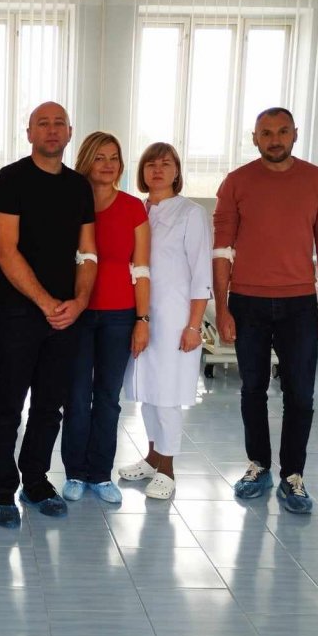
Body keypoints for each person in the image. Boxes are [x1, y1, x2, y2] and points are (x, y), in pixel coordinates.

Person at [213, 107, 318, 513]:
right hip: (246, 302)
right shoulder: (237, 182)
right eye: (266, 133)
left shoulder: (316, 180)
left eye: (282, 131)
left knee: (300, 393)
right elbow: (221, 250)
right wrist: (222, 308)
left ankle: (293, 476)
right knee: (252, 389)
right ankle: (259, 465)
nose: (274, 140)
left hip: (299, 304)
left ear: (295, 134)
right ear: (254, 138)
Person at [0, 102, 96, 527]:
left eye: (58, 124)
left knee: (50, 404)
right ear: (29, 132)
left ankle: (35, 480)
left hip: (67, 314)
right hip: (20, 312)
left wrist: (79, 302)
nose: (51, 130)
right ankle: (1, 490)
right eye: (42, 124)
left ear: (69, 132)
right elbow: (5, 250)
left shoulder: (79, 186)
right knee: (8, 403)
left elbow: (88, 252)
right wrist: (45, 302)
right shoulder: (10, 179)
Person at [61, 132, 150, 504]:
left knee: (108, 399)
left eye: (114, 157)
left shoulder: (133, 208)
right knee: (76, 397)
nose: (108, 164)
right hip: (77, 314)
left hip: (119, 316)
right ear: (86, 161)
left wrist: (142, 319)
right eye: (100, 157)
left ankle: (100, 474)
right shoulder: (69, 204)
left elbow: (141, 268)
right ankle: (74, 472)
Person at [118, 143, 211, 500]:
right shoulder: (137, 209)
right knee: (147, 392)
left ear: (177, 171)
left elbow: (201, 272)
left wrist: (194, 325)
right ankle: (152, 457)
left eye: (166, 164)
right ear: (141, 171)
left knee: (168, 395)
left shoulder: (190, 213)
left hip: (174, 318)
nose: (157, 170)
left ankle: (168, 468)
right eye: (150, 164)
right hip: (139, 313)